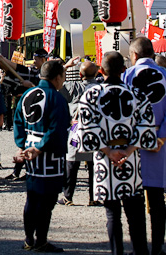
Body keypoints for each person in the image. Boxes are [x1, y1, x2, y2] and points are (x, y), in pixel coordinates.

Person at [76, 50, 157, 255]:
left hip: (105, 159)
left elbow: (86, 129)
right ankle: (140, 251)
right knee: (136, 212)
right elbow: (146, 126)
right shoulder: (137, 94)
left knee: (112, 214)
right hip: (129, 159)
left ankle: (116, 252)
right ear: (124, 70)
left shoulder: (91, 95)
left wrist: (108, 151)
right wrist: (128, 150)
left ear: (101, 70)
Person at [14, 59, 70, 253]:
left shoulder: (28, 94)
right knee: (47, 200)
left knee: (32, 198)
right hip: (49, 153)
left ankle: (29, 239)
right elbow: (57, 128)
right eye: (63, 77)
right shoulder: (56, 98)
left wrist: (22, 145)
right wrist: (41, 147)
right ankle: (41, 240)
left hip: (29, 150)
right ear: (57, 77)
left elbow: (17, 121)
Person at [123, 37, 166, 255]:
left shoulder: (126, 76)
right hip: (160, 144)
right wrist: (160, 138)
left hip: (132, 145)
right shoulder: (165, 75)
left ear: (134, 55)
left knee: (134, 199)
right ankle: (158, 246)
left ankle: (139, 247)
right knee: (158, 199)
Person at [57, 60, 100, 206]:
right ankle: (94, 197)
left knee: (72, 163)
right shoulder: (101, 88)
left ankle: (68, 196)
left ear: (80, 74)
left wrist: (65, 67)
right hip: (96, 131)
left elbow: (58, 87)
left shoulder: (74, 87)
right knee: (94, 164)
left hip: (76, 130)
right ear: (96, 73)